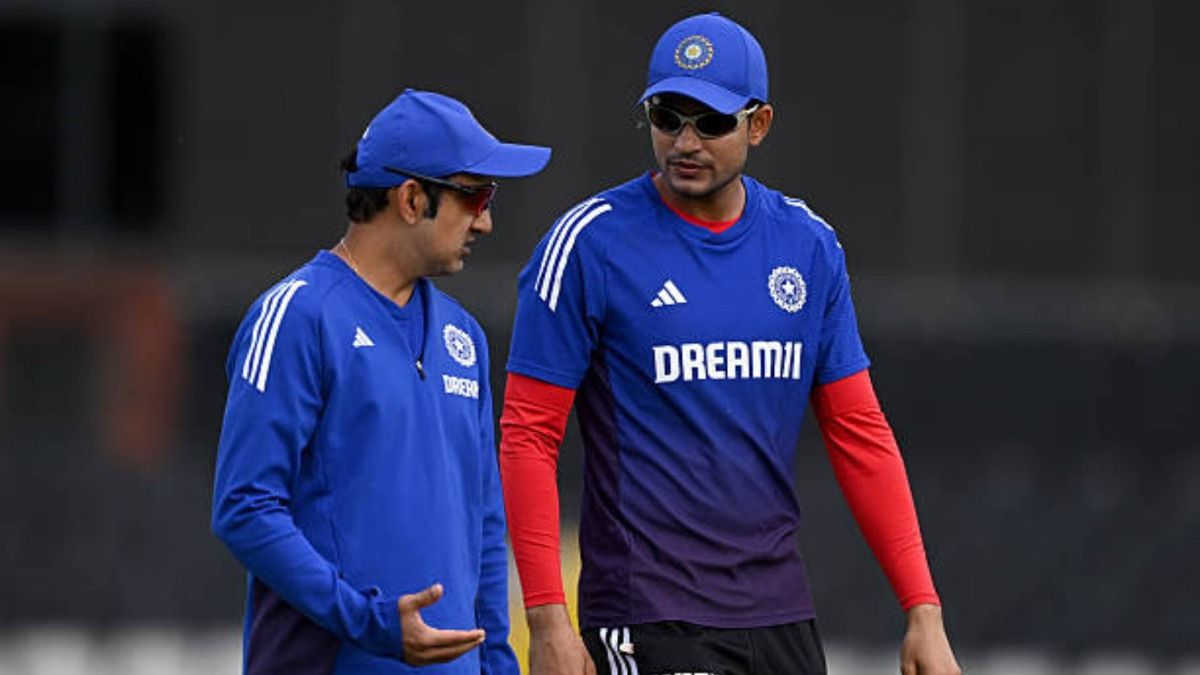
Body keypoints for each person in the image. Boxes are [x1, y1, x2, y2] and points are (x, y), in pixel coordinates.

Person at [499, 12, 961, 675]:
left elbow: (860, 432)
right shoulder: (588, 243)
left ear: (758, 124)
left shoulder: (807, 246)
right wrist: (546, 621)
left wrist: (923, 609)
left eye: (710, 122)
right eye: (667, 117)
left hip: (780, 618)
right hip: (648, 615)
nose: (685, 141)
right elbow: (527, 434)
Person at [211, 88, 550, 674]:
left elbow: (483, 525)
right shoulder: (297, 315)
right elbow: (244, 507)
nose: (488, 221)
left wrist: (498, 664)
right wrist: (369, 623)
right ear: (412, 198)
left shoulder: (462, 335)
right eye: (476, 195)